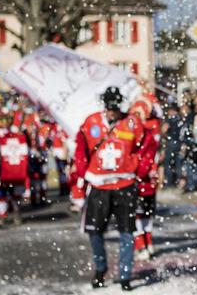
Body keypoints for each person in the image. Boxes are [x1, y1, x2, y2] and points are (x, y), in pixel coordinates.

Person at [75, 86, 147, 291]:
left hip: (125, 185)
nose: (112, 110)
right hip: (99, 185)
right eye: (109, 106)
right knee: (95, 231)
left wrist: (138, 171)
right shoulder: (91, 122)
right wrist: (82, 174)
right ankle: (100, 267)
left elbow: (146, 147)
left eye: (115, 106)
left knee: (127, 231)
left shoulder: (132, 122)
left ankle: (125, 274)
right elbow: (80, 148)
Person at [129, 95, 162, 261]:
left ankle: (143, 244)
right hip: (145, 174)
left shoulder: (149, 130)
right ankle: (145, 243)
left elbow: (152, 154)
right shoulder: (150, 129)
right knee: (143, 212)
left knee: (140, 212)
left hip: (141, 175)